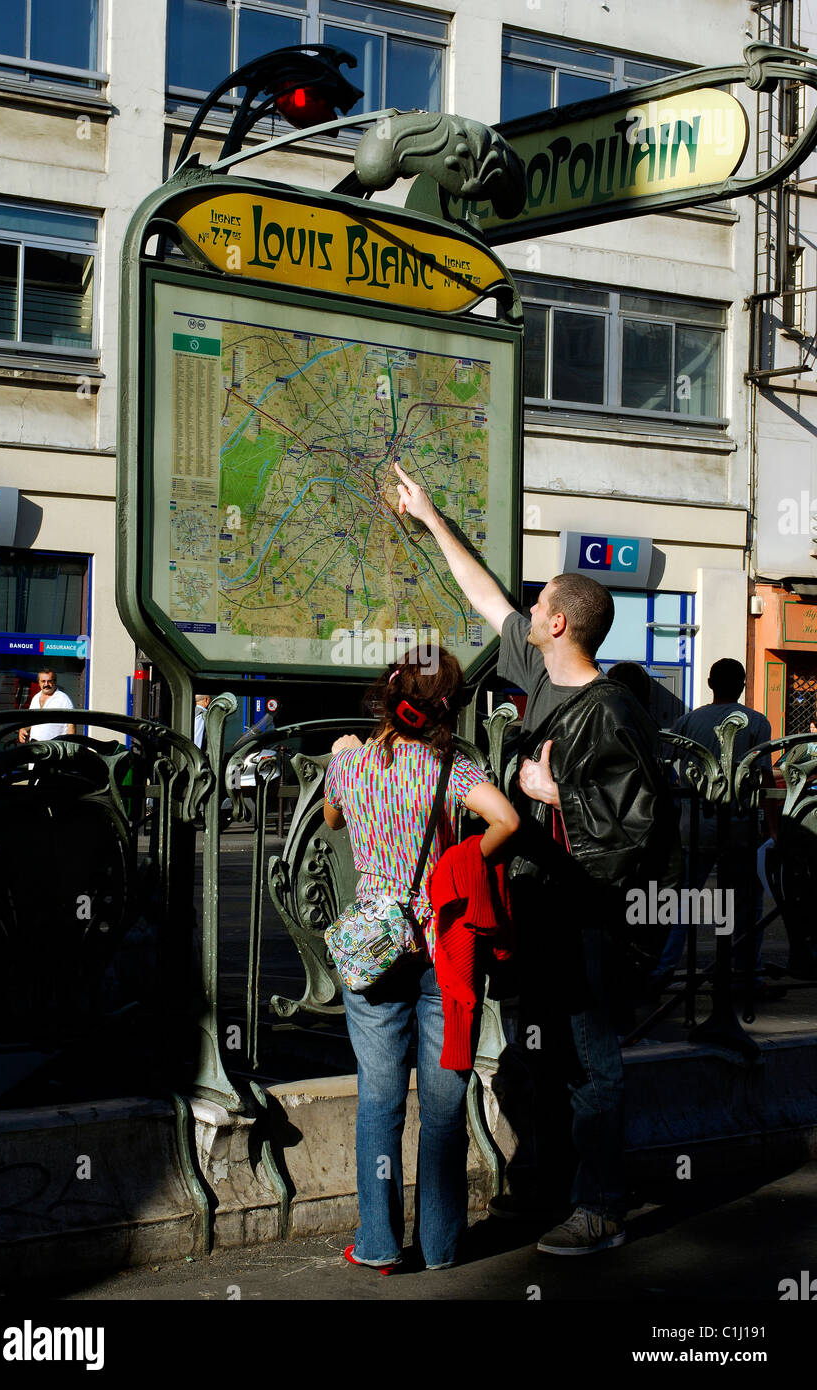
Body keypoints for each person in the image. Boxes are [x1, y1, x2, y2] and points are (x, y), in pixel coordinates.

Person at [392, 461, 676, 1255]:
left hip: (584, 923)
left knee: (593, 1066)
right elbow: (484, 595)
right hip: (533, 909)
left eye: (539, 605)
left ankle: (604, 1207)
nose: (526, 612)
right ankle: (547, 1187)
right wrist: (430, 517)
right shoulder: (541, 675)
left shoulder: (612, 712)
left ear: (559, 624)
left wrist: (553, 798)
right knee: (532, 1058)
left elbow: (633, 837)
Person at [323, 647, 519, 1272]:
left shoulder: (350, 761)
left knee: (379, 1101)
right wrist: (466, 861)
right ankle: (441, 1246)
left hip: (375, 948)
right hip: (442, 945)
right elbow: (507, 820)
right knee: (443, 1104)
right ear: (447, 708)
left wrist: (339, 760)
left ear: (387, 692)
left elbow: (331, 819)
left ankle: (379, 1242)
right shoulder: (451, 764)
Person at [652, 658, 774, 992]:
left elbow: (663, 759)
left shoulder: (689, 720)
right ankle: (749, 974)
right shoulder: (757, 723)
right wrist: (769, 825)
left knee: (683, 903)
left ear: (708, 682)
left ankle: (662, 971)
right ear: (743, 685)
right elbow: (762, 777)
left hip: (694, 826)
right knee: (747, 905)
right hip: (740, 825)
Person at [18, 668, 75, 744]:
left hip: (56, 747)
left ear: (55, 682)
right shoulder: (35, 698)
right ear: (39, 683)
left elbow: (71, 725)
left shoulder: (64, 699)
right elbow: (31, 721)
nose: (46, 684)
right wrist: (23, 729)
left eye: (49, 681)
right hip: (35, 746)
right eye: (43, 681)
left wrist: (69, 747)